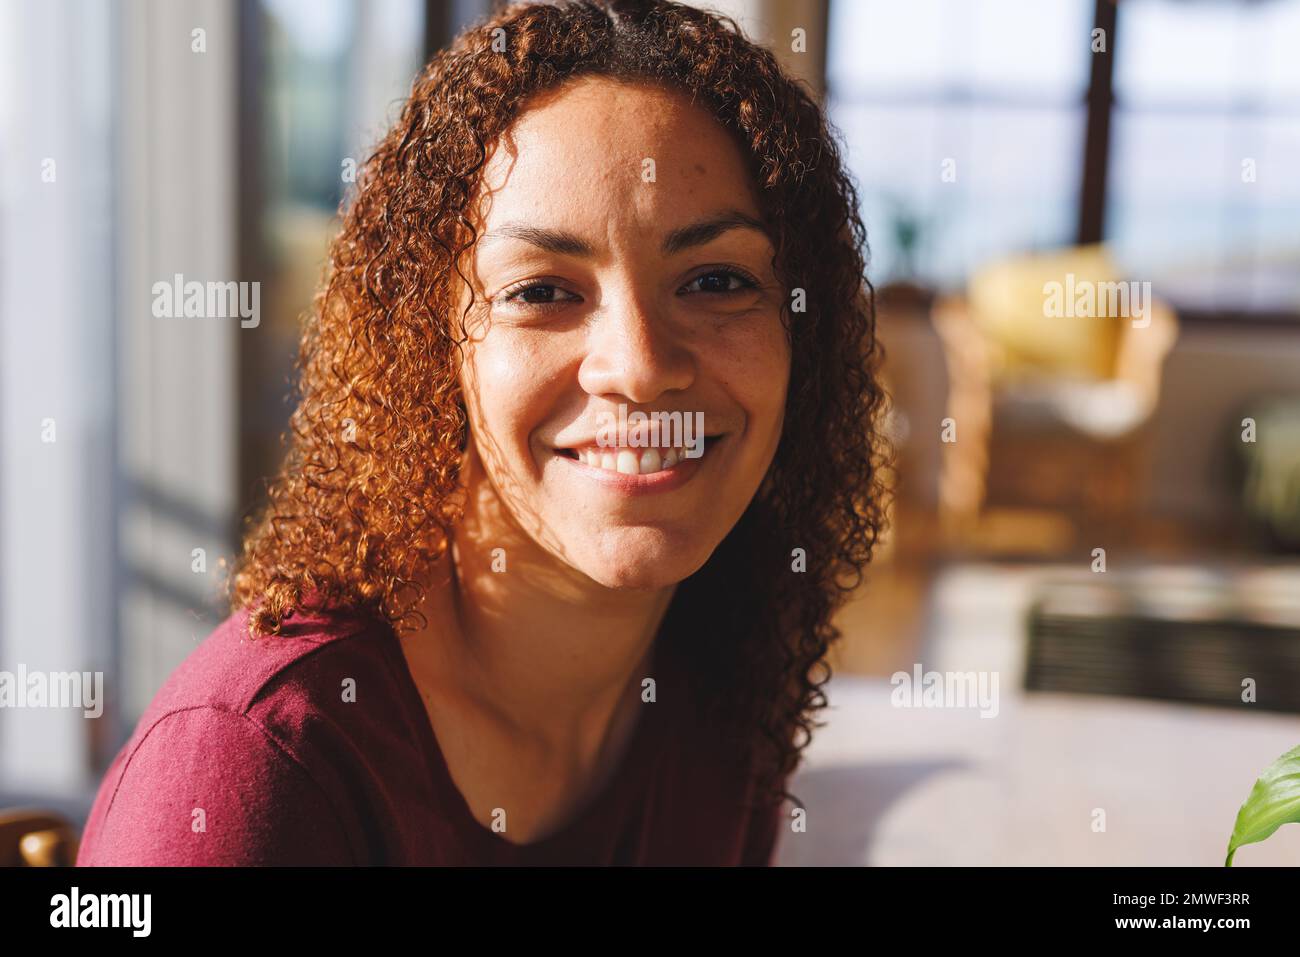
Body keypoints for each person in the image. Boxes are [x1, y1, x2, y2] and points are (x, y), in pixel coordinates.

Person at [76, 0, 888, 866]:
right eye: (542, 290)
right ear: (432, 351)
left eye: (717, 278)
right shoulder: (253, 769)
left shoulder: (723, 707)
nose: (641, 366)